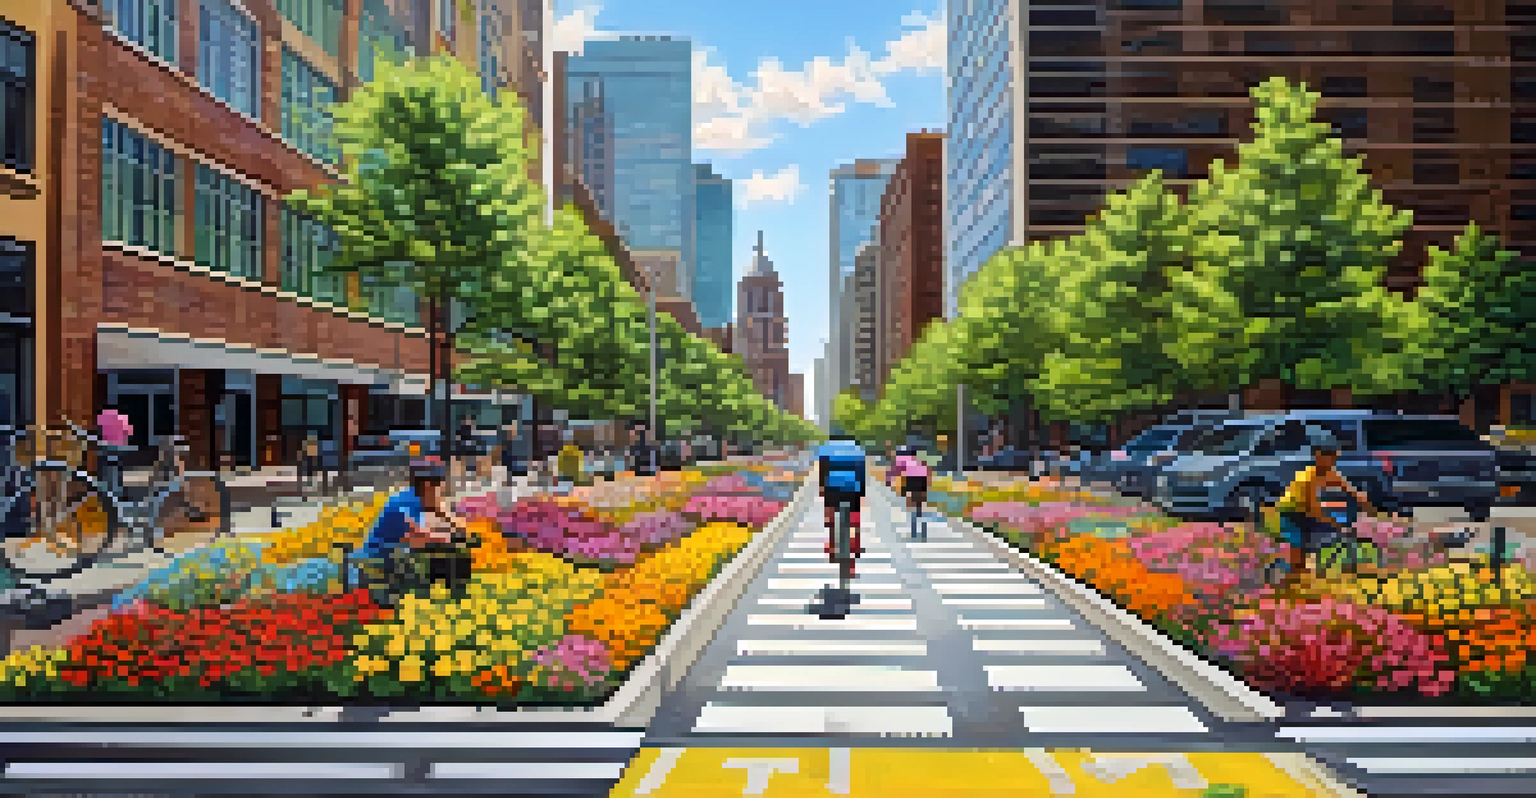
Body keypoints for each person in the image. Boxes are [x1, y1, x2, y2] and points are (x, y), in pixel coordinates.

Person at [1274, 431, 1377, 582]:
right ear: (1317, 456)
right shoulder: (1309, 477)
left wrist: (1366, 504)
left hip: (1306, 511)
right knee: (1296, 542)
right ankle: (1292, 575)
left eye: (1334, 456)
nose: (1332, 461)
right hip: (1290, 511)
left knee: (1316, 540)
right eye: (1328, 456)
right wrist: (1334, 522)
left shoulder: (1330, 473)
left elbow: (1347, 489)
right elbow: (1313, 509)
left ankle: (1306, 570)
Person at [360, 458, 466, 561]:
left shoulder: (416, 497)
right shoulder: (403, 504)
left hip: (389, 555)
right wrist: (452, 537)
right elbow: (417, 537)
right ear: (427, 486)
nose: (442, 496)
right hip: (373, 560)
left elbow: (437, 511)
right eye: (441, 491)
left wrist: (455, 525)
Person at [817, 438, 867, 574]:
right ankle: (855, 546)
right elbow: (861, 471)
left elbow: (823, 469)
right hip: (852, 488)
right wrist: (861, 491)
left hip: (832, 486)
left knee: (830, 513)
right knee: (854, 518)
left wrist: (822, 486)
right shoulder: (857, 449)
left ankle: (832, 547)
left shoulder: (826, 447)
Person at [891, 445, 931, 540]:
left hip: (911, 481)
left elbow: (898, 472)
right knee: (920, 507)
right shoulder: (920, 461)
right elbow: (927, 474)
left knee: (912, 507)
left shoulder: (903, 460)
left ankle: (914, 531)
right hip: (922, 483)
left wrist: (900, 488)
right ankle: (923, 531)